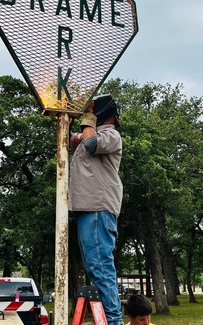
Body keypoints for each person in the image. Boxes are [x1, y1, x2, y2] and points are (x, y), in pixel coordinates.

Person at [68, 94, 124, 325]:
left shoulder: (111, 135)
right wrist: (67, 119)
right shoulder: (88, 134)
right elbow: (70, 141)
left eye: (90, 113)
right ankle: (110, 317)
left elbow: (91, 144)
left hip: (98, 206)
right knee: (95, 265)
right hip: (85, 206)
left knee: (100, 265)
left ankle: (113, 320)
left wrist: (87, 119)